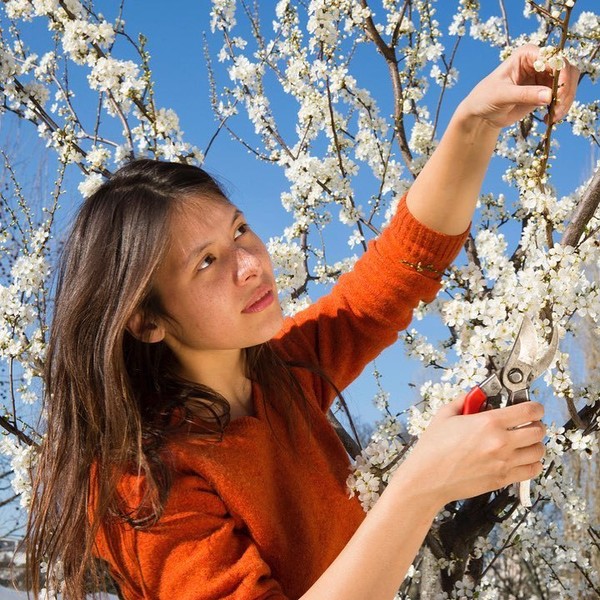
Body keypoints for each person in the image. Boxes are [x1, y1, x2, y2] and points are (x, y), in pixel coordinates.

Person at [26, 44, 578, 600]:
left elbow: (397, 273)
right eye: (207, 262)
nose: (251, 265)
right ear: (147, 322)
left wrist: (473, 124)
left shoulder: (283, 371)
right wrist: (419, 487)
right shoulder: (140, 484)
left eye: (239, 230)